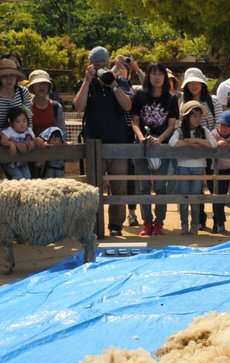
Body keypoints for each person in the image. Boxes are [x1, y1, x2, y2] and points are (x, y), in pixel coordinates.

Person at [75, 46, 134, 235]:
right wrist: (87, 80)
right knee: (93, 187)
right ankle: (93, 225)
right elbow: (78, 107)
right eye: (96, 65)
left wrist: (114, 85)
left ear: (109, 65)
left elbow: (128, 106)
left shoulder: (120, 81)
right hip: (93, 143)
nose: (100, 69)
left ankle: (116, 225)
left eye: (103, 65)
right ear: (90, 66)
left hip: (118, 142)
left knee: (119, 187)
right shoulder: (86, 83)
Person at [131, 62, 179, 236]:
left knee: (160, 186)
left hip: (162, 146)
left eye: (160, 74)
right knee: (143, 185)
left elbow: (172, 125)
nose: (157, 77)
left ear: (165, 77)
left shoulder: (172, 98)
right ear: (148, 76)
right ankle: (147, 223)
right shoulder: (139, 96)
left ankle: (159, 222)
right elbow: (135, 121)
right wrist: (141, 137)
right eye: (153, 74)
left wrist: (160, 139)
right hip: (142, 145)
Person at [181, 67, 220, 231]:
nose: (194, 86)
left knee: (213, 185)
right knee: (196, 187)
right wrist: (191, 140)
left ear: (203, 83)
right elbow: (180, 124)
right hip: (191, 151)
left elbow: (219, 123)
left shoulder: (214, 101)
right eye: (190, 83)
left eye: (197, 82)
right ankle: (199, 220)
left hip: (210, 149)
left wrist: (204, 139)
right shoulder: (183, 103)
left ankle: (218, 221)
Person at [170, 100, 214, 235]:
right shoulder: (180, 130)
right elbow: (172, 143)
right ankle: (184, 224)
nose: (197, 119)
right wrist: (186, 143)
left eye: (199, 116)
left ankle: (194, 225)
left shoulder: (204, 131)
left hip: (199, 167)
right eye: (194, 115)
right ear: (187, 116)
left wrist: (196, 140)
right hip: (183, 167)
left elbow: (214, 144)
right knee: (184, 198)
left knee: (195, 199)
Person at [0, 58, 30, 168]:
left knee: (23, 180)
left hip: (21, 143)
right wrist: (11, 141)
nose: (9, 79)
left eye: (12, 75)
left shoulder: (23, 92)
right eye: (4, 76)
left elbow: (29, 117)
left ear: (16, 76)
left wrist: (27, 138)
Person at [0, 107, 35, 180]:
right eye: (18, 122)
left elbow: (34, 140)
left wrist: (32, 142)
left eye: (24, 121)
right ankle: (18, 191)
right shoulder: (10, 130)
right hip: (10, 162)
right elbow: (3, 141)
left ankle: (25, 191)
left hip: (22, 161)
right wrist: (11, 144)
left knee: (28, 178)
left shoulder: (28, 130)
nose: (21, 124)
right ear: (11, 123)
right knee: (18, 177)